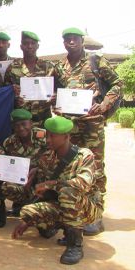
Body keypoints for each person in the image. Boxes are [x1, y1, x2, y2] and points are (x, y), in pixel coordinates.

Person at [12, 116, 103, 265]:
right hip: (62, 205)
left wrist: (53, 184)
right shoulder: (46, 158)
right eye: (47, 135)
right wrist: (28, 221)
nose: (47, 140)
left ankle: (75, 244)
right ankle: (57, 226)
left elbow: (83, 183)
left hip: (87, 209)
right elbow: (43, 193)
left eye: (52, 136)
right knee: (27, 212)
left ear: (66, 137)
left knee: (68, 192)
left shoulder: (84, 155)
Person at [58, 27, 123, 235]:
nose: (71, 42)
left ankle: (95, 215)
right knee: (73, 166)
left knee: (95, 166)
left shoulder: (95, 61)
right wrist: (55, 101)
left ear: (81, 41)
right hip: (71, 126)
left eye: (74, 39)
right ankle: (76, 210)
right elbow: (51, 88)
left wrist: (104, 104)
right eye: (67, 39)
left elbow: (117, 83)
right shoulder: (60, 66)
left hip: (92, 125)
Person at [4, 31, 66, 128]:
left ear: (38, 46)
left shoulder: (49, 67)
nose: (29, 46)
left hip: (43, 119)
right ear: (21, 46)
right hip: (21, 122)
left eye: (33, 43)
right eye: (26, 43)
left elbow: (61, 89)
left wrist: (55, 96)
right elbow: (5, 92)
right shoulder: (13, 67)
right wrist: (13, 94)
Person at [1, 109, 47, 216]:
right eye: (16, 125)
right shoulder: (9, 143)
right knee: (6, 186)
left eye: (24, 124)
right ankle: (20, 204)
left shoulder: (43, 136)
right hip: (22, 179)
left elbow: (55, 157)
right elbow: (8, 166)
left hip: (43, 177)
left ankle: (43, 205)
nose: (21, 128)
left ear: (31, 123)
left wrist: (37, 170)